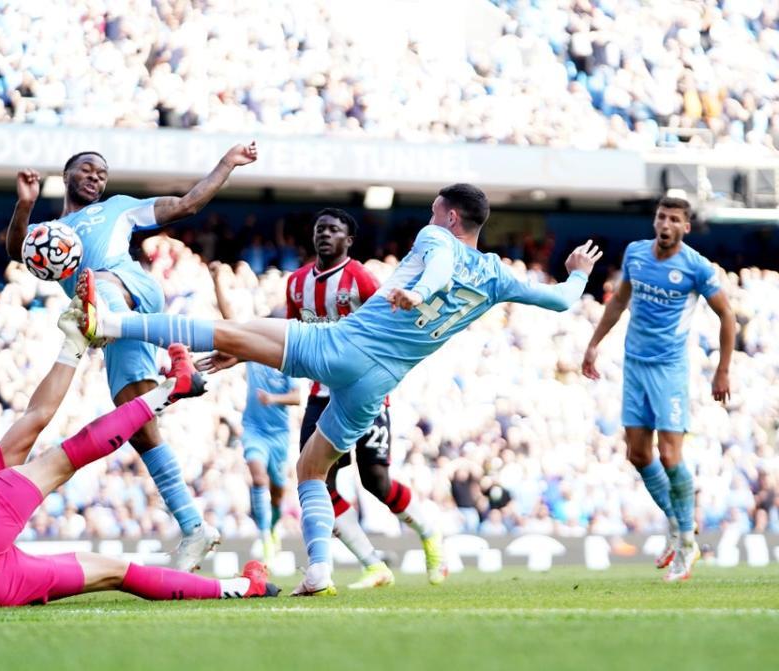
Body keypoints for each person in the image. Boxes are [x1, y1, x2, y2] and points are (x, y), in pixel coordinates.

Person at [76, 183, 601, 595]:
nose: (430, 219)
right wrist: (577, 275)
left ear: (450, 216)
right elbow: (558, 301)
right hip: (377, 382)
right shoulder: (495, 275)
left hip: (344, 348)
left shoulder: (436, 239)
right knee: (312, 469)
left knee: (228, 332)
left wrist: (417, 291)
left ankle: (112, 325)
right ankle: (320, 572)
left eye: (434, 211)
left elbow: (439, 265)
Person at [0, 306, 279, 607]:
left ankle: (241, 589)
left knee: (114, 569)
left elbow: (37, 415)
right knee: (61, 460)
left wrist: (73, 346)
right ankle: (170, 391)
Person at [4, 142, 258, 571]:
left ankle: (185, 345)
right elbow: (17, 251)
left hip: (127, 288)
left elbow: (186, 205)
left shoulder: (117, 209)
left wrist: (227, 163)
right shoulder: (48, 232)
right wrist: (24, 206)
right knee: (136, 420)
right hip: (104, 317)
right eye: (87, 169)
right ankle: (195, 527)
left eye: (102, 173)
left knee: (95, 284)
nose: (96, 177)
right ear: (67, 175)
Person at [285, 208, 445, 589]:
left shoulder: (360, 278)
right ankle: (371, 564)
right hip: (321, 395)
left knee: (376, 481)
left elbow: (388, 324)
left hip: (366, 393)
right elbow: (293, 331)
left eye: (334, 229)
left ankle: (429, 533)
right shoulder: (295, 283)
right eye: (319, 228)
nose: (324, 234)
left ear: (348, 240)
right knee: (316, 479)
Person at [581, 196, 734, 582]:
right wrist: (594, 343)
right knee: (637, 453)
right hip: (634, 364)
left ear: (685, 227)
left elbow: (727, 316)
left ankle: (686, 542)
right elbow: (619, 301)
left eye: (674, 219)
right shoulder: (635, 254)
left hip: (670, 369)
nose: (665, 224)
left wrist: (723, 370)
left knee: (670, 456)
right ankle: (678, 523)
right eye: (661, 217)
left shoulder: (697, 267)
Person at [209, 261, 301, 565]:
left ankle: (273, 528)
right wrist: (217, 280)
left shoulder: (289, 360)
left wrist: (273, 398)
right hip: (255, 430)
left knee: (277, 490)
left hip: (279, 433)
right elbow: (230, 323)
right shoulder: (254, 353)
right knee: (258, 478)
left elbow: (297, 396)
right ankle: (264, 537)